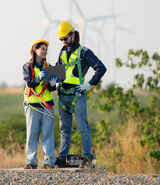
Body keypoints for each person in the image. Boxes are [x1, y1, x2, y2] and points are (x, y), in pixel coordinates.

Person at [55, 21, 106, 168]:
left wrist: (89, 85)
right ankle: (62, 158)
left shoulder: (84, 52)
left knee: (83, 127)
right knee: (64, 129)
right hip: (63, 94)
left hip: (77, 94)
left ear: (73, 35)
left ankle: (87, 157)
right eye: (61, 39)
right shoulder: (62, 52)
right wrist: (54, 81)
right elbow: (59, 69)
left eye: (65, 38)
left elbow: (101, 68)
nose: (63, 42)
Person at [22, 40, 58, 169]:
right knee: (32, 132)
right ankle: (31, 161)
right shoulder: (27, 66)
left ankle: (49, 161)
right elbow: (29, 83)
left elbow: (52, 89)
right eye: (42, 48)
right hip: (32, 104)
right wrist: (39, 78)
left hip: (47, 104)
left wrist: (53, 83)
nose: (45, 51)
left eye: (46, 49)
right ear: (35, 50)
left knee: (48, 133)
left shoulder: (49, 66)